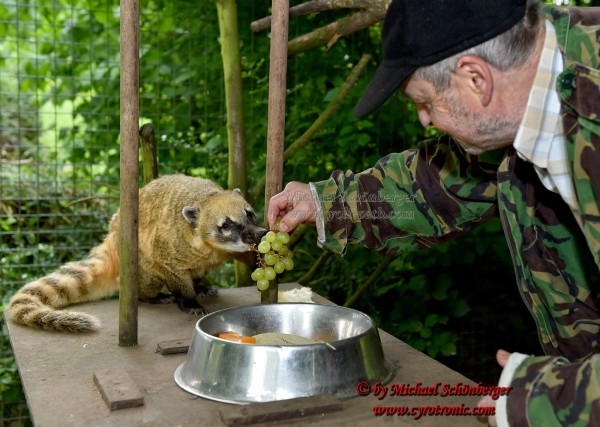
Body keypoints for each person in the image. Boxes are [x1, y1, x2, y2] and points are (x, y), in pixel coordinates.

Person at [267, 0, 600, 425]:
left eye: (425, 103)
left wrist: (552, 401)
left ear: (476, 78)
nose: (424, 121)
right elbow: (434, 185)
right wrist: (325, 202)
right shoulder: (529, 82)